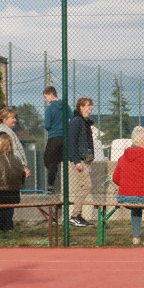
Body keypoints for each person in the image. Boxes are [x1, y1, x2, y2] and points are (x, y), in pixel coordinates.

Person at [113, 126, 144, 245]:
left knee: (136, 206)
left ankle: (136, 237)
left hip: (124, 197)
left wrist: (127, 185)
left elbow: (115, 178)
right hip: (143, 196)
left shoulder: (122, 158)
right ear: (137, 142)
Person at [0, 107, 32, 231]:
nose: (15, 120)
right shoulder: (4, 132)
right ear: (4, 119)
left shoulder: (7, 130)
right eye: (12, 118)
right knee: (10, 197)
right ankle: (6, 226)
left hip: (8, 168)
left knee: (10, 196)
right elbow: (13, 152)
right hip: (7, 169)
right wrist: (23, 167)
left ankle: (1, 224)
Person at [67, 97, 96, 227]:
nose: (91, 108)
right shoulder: (76, 121)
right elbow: (71, 142)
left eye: (91, 105)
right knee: (87, 185)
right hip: (80, 160)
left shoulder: (84, 122)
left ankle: (77, 215)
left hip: (86, 159)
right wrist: (76, 160)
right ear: (81, 107)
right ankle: (74, 215)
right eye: (88, 105)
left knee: (83, 186)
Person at [43, 86, 67, 194]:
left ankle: (51, 186)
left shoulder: (49, 108)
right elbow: (71, 116)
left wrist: (52, 126)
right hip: (65, 137)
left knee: (49, 160)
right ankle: (66, 186)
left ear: (51, 95)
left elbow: (47, 125)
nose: (45, 100)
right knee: (63, 161)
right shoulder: (64, 106)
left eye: (46, 97)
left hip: (54, 137)